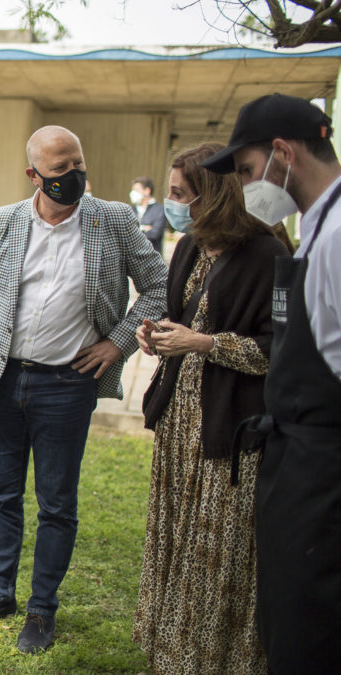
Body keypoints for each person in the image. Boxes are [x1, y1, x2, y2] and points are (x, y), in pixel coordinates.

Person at [0, 125, 167, 653]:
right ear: (34, 174)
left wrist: (117, 343)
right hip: (2, 379)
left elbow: (158, 285)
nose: (74, 175)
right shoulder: (2, 222)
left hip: (68, 385)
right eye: (60, 168)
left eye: (77, 163)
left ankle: (41, 608)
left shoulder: (111, 219)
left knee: (56, 502)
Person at [132, 142, 290, 673]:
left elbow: (280, 351)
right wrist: (155, 336)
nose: (172, 203)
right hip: (180, 422)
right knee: (176, 538)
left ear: (212, 193)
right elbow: (180, 316)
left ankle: (215, 659)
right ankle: (172, 653)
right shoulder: (192, 245)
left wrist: (204, 343)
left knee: (217, 553)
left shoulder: (268, 255)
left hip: (229, 433)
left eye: (179, 193)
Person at [202, 93, 341, 674]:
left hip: (327, 466)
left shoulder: (337, 235)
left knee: (315, 633)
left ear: (283, 152)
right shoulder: (316, 227)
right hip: (299, 456)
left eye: (247, 171)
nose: (246, 186)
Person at [130, 176, 167, 254]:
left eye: (136, 190)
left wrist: (133, 232)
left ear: (147, 191)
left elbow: (154, 234)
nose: (132, 193)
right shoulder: (131, 210)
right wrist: (144, 228)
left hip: (151, 258)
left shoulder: (159, 210)